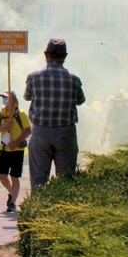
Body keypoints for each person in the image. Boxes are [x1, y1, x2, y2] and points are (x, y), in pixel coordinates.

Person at [24, 38, 86, 190]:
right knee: (66, 179)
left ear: (46, 54)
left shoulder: (34, 76)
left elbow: (27, 97)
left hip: (40, 132)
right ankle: (63, 209)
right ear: (65, 56)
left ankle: (38, 209)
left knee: (39, 178)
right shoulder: (74, 79)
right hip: (66, 132)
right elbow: (80, 100)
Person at [0, 90, 32, 213]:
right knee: (2, 176)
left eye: (6, 98)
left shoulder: (20, 114)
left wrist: (16, 142)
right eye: (3, 98)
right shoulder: (0, 114)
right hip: (4, 150)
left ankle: (13, 202)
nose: (4, 100)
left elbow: (28, 130)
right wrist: (4, 127)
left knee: (15, 176)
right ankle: (11, 192)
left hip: (17, 150)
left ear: (13, 100)